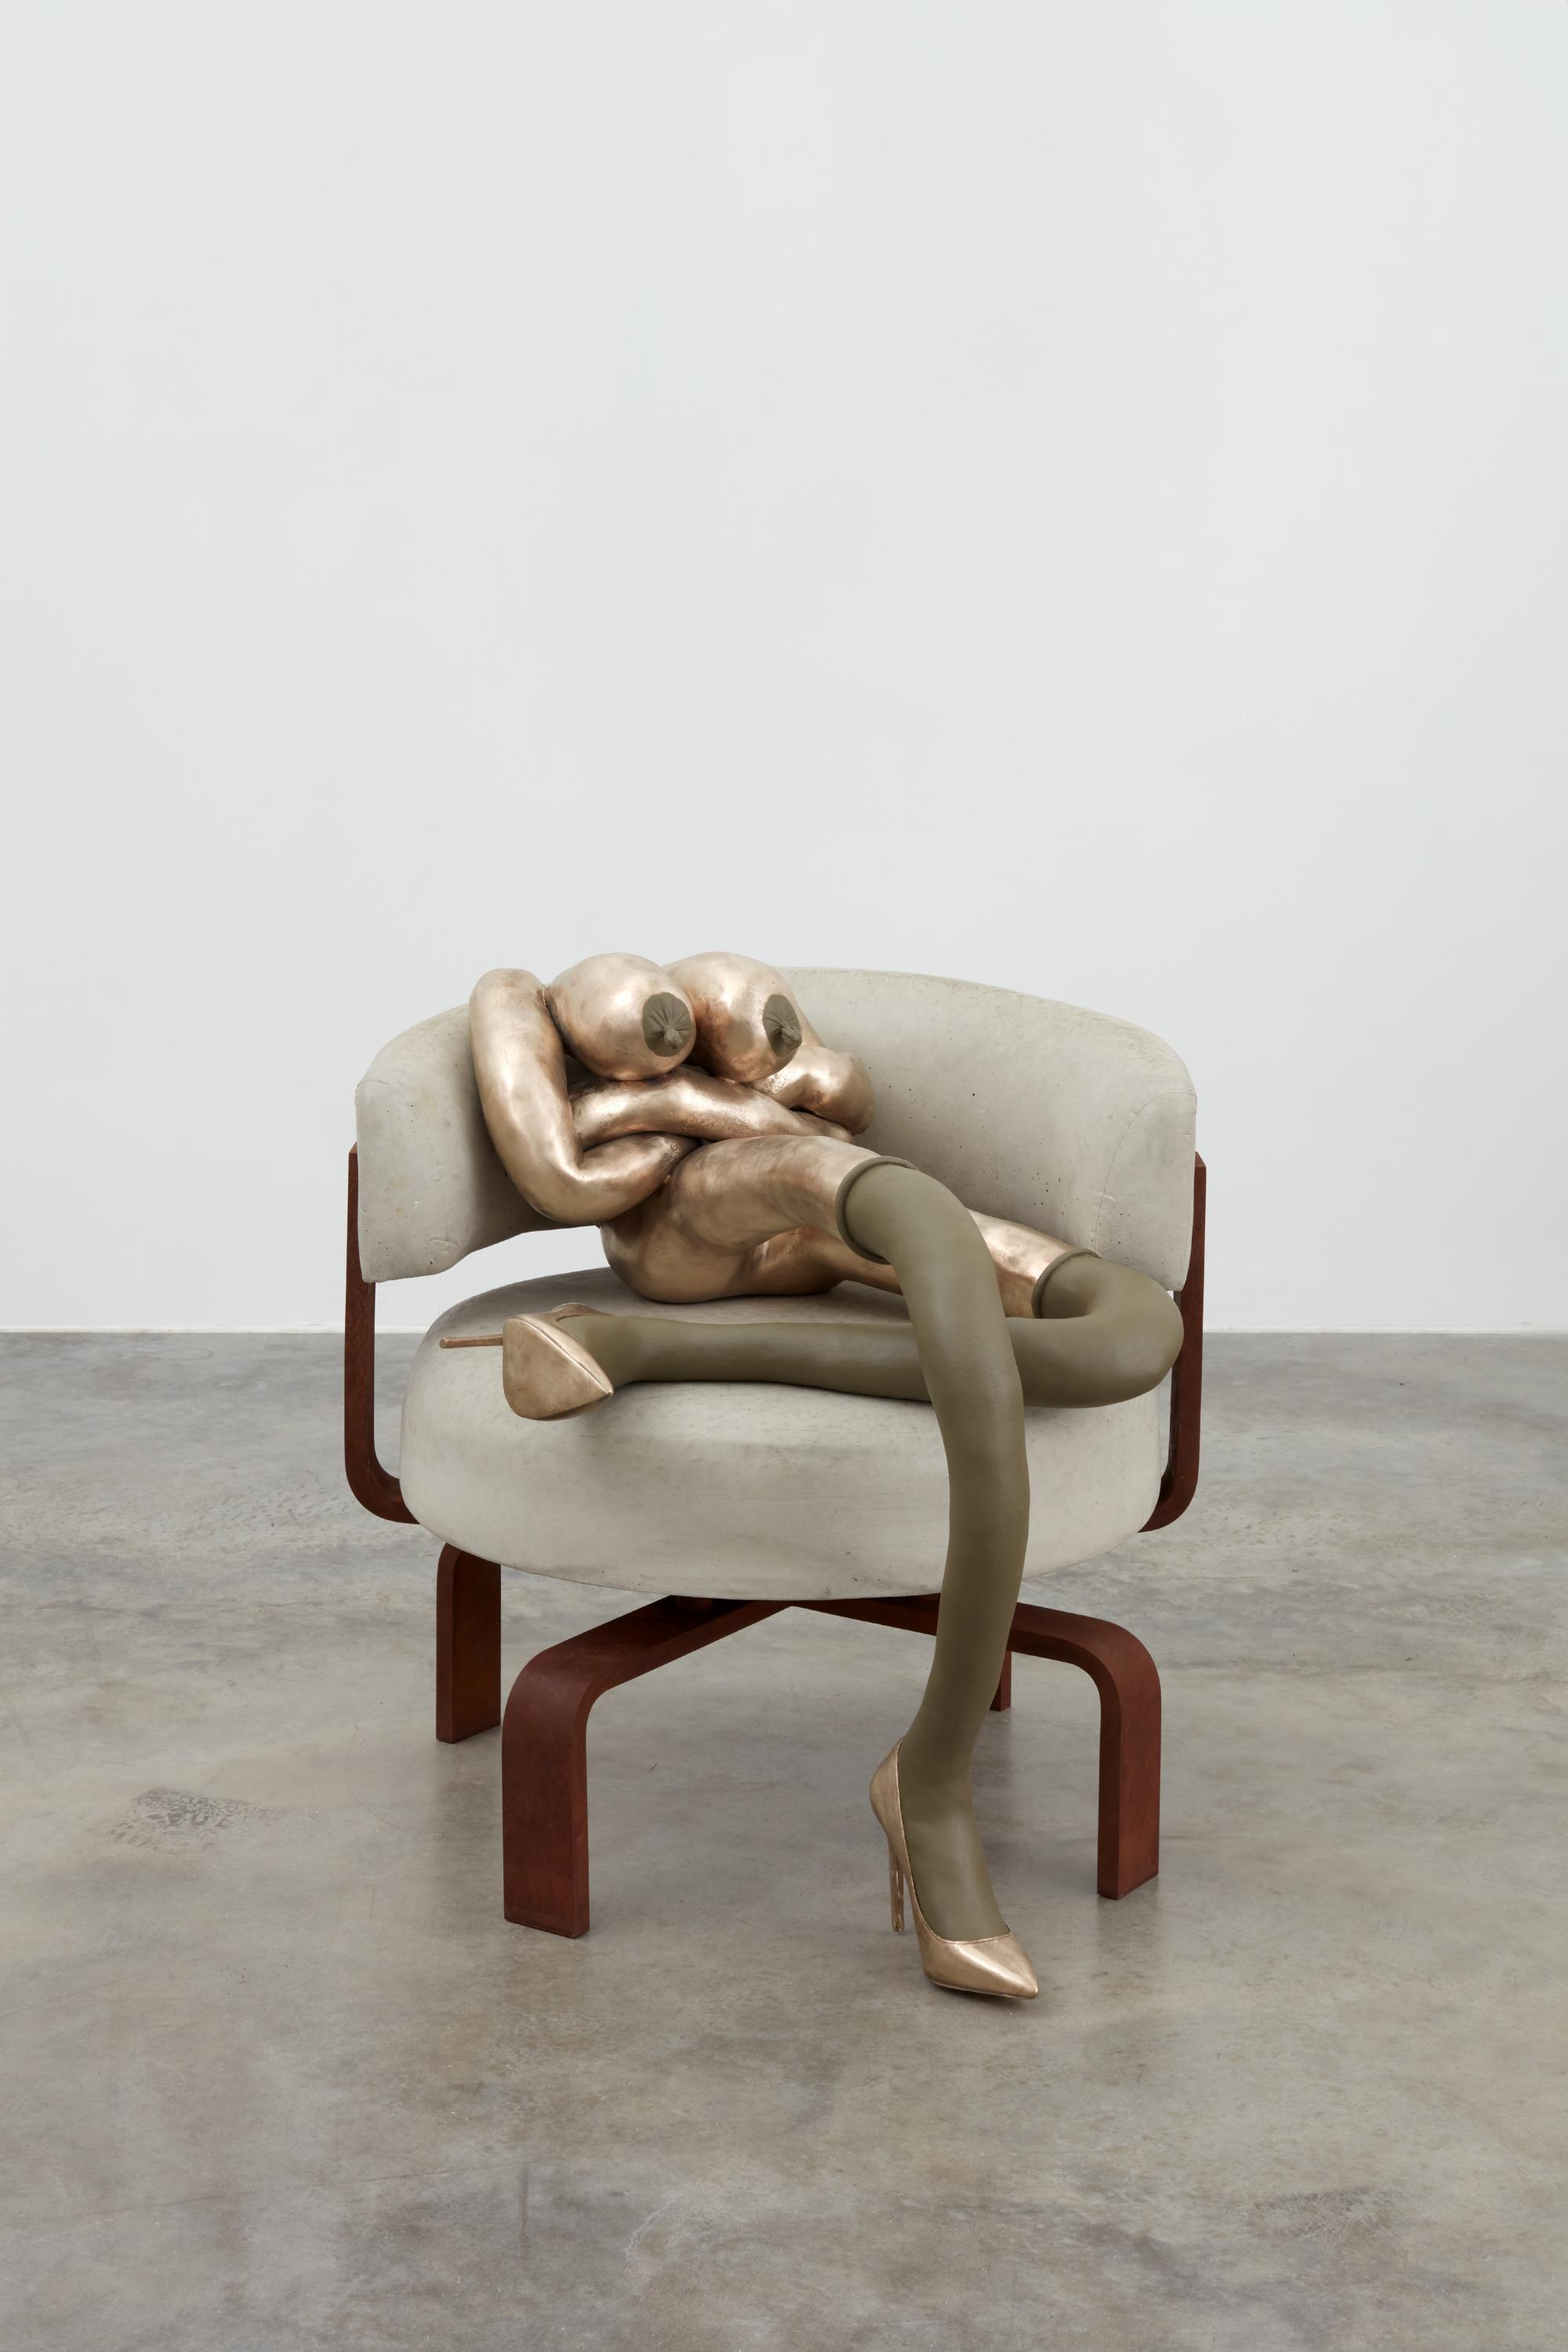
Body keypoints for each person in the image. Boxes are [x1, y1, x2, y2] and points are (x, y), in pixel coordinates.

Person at [450, 953, 1183, 2000]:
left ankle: (632, 1350)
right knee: (921, 1216)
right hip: (687, 1219)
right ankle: (932, 1782)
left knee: (1128, 1334)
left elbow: (849, 1092)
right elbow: (561, 1175)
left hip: (810, 1217)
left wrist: (756, 1093)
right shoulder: (527, 999)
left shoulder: (734, 998)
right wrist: (701, 1109)